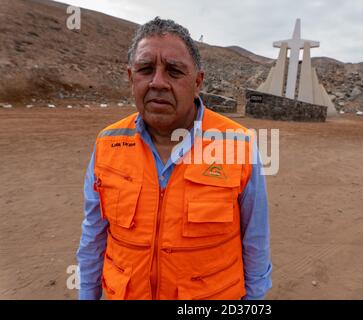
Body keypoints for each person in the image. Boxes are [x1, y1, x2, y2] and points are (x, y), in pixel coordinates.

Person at [76, 17, 272, 300]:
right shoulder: (108, 143)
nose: (158, 82)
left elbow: (255, 243)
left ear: (197, 82)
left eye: (174, 71)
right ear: (131, 79)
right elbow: (93, 236)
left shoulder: (238, 145)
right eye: (145, 69)